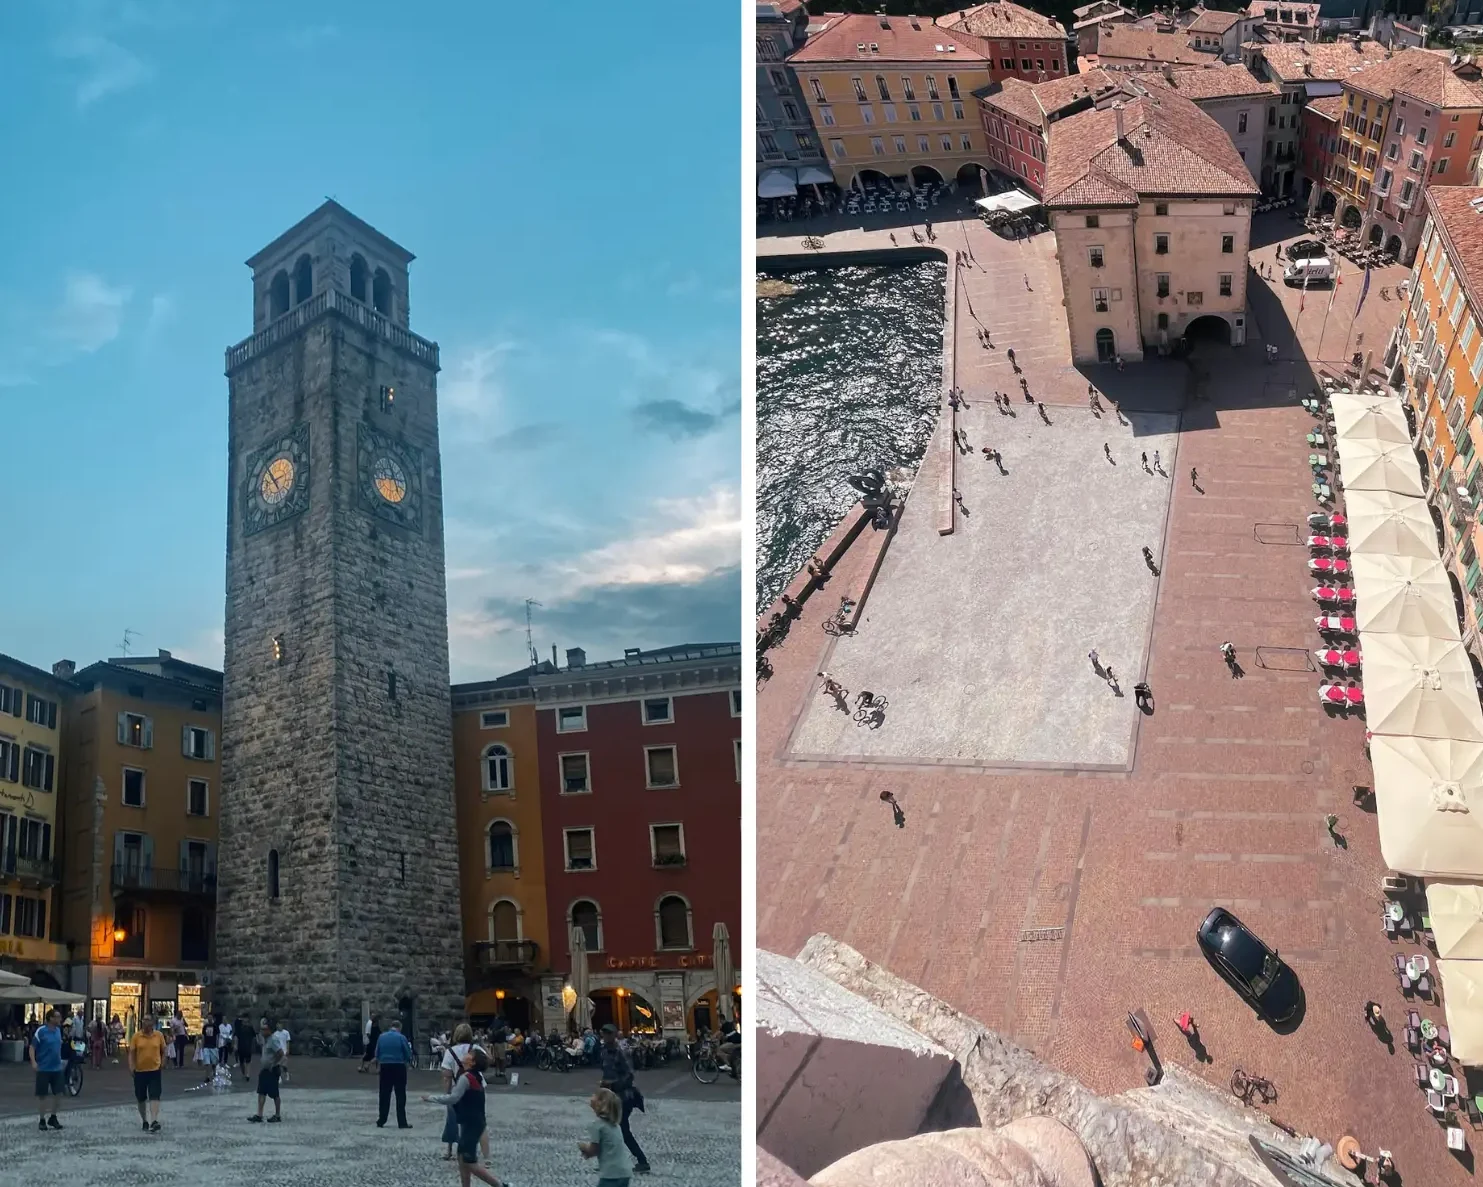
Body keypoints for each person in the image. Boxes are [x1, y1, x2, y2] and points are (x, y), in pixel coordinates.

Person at [423, 1048, 508, 1186]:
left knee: (469, 1161)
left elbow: (453, 1098)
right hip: (475, 1121)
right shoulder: (476, 1076)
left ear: (472, 1062)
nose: (465, 1055)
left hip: (471, 1123)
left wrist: (431, 1098)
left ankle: (499, 1185)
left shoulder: (466, 1078)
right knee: (462, 1158)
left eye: (469, 1054)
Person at [599, 1023, 650, 1175]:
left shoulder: (621, 1051)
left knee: (623, 1130)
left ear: (615, 1035)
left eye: (608, 1033)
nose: (605, 1036)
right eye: (604, 1033)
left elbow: (629, 1075)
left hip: (624, 1097)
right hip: (611, 1096)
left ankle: (642, 1161)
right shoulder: (604, 1051)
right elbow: (607, 1071)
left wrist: (612, 1083)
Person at [440, 1023, 491, 1162]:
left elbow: (447, 1075)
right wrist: (481, 1042)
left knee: (452, 1120)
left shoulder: (450, 1052)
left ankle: (450, 1150)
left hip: (458, 1086)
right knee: (479, 1120)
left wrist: (447, 1094)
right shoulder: (475, 1049)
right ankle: (486, 1157)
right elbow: (489, 1059)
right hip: (476, 1086)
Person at [579, 1087, 630, 1187]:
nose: (591, 1097)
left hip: (611, 1174)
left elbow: (593, 1150)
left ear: (600, 1103)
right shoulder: (615, 1125)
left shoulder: (597, 1126)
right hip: (625, 1173)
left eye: (595, 1095)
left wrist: (584, 1148)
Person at [128, 1013, 168, 1133]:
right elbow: (131, 1053)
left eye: (147, 1020)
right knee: (141, 1097)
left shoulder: (158, 1035)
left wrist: (164, 1061)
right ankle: (145, 1120)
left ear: (152, 1022)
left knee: (155, 1094)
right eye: (143, 1020)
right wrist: (131, 1067)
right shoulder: (136, 1036)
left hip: (154, 1070)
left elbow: (164, 1050)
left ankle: (154, 1120)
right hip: (140, 1071)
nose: (145, 1022)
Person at [29, 1008, 66, 1131]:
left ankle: (53, 1117)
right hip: (44, 1068)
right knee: (42, 1095)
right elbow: (32, 1047)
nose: (59, 1019)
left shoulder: (58, 1031)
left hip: (57, 1068)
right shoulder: (41, 1031)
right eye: (57, 1017)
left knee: (59, 1093)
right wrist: (34, 1062)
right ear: (51, 1018)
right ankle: (42, 1119)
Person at [375, 1020, 415, 1128]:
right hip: (399, 1066)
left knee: (384, 1094)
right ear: (399, 1027)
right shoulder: (401, 1038)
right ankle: (402, 1122)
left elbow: (377, 1052)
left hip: (385, 1066)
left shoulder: (382, 1037)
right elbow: (407, 1053)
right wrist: (406, 1061)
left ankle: (381, 1120)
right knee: (400, 1095)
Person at [249, 1018, 285, 1123]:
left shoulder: (273, 1040)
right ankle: (259, 1114)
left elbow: (280, 1053)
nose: (262, 1031)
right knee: (261, 1092)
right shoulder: (265, 1039)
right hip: (265, 1070)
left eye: (264, 1030)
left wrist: (273, 1064)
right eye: (261, 1029)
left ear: (269, 1030)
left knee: (275, 1094)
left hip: (272, 1070)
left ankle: (277, 1115)